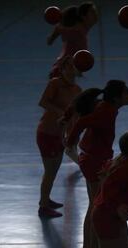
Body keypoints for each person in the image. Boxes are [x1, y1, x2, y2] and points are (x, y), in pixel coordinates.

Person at [65, 80, 128, 248]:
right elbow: (82, 121)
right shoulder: (106, 111)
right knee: (96, 208)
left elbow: (80, 111)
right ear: (118, 97)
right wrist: (70, 142)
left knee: (94, 205)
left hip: (94, 158)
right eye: (127, 92)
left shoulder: (106, 107)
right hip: (94, 161)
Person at [36, 56, 81, 218]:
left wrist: (72, 135)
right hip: (47, 133)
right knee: (49, 171)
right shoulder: (55, 83)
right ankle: (43, 206)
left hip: (59, 135)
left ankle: (46, 199)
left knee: (53, 171)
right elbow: (43, 102)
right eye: (67, 66)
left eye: (73, 67)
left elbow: (76, 115)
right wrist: (61, 112)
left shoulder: (77, 90)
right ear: (62, 69)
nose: (71, 69)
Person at [47, 2, 98, 78]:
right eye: (92, 12)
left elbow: (59, 28)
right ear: (84, 17)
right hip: (63, 67)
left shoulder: (82, 26)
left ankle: (63, 68)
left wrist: (52, 38)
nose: (95, 14)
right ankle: (59, 68)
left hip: (71, 60)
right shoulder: (77, 30)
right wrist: (52, 37)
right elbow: (60, 28)